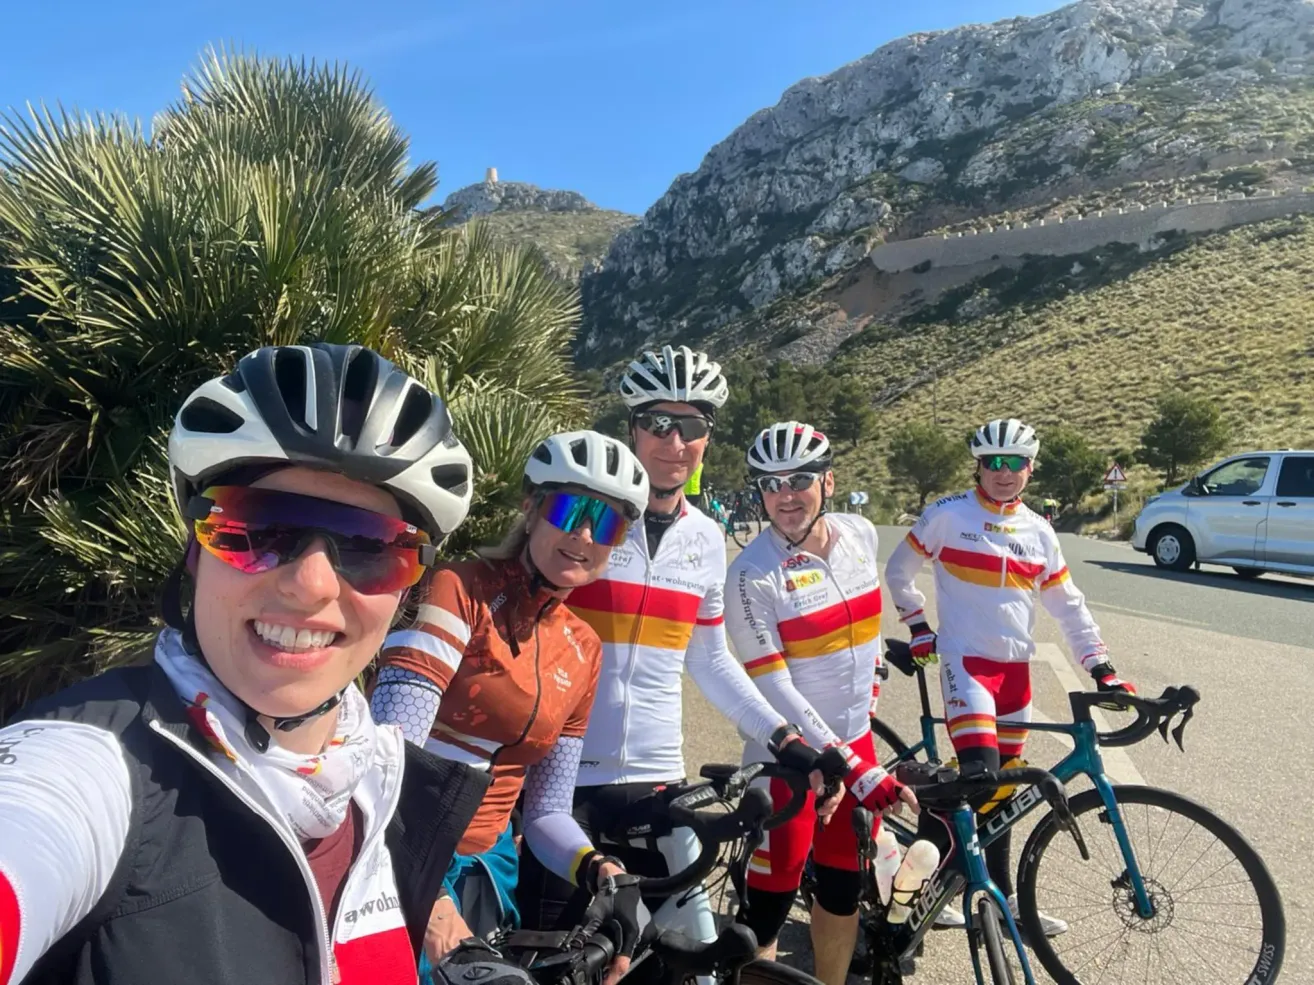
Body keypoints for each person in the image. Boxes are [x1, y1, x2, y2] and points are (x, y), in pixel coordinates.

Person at [0, 343, 490, 985]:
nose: (312, 585)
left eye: (372, 548)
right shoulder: (93, 771)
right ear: (195, 553)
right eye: (260, 529)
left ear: (405, 588)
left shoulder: (377, 783)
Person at [516, 347, 840, 954]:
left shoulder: (706, 538)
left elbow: (711, 660)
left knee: (696, 960)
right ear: (632, 429)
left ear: (707, 438)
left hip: (658, 777)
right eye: (658, 423)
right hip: (562, 784)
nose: (673, 441)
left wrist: (789, 741)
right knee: (555, 959)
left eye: (690, 426)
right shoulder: (588, 524)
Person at [368, 430, 651, 985]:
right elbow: (382, 764)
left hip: (490, 868)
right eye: (572, 509)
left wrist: (602, 871)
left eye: (609, 522)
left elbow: (546, 812)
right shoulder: (456, 589)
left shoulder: (584, 647)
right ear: (532, 506)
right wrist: (433, 909)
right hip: (400, 854)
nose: (586, 534)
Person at [884, 417, 1137, 937]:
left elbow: (1068, 607)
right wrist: (919, 626)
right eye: (992, 462)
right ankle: (929, 886)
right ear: (977, 465)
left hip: (1015, 674)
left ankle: (991, 899)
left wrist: (1102, 668)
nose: (1003, 472)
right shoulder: (947, 516)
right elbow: (898, 570)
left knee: (1000, 797)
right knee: (980, 775)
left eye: (1014, 462)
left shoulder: (1039, 532)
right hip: (966, 664)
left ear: (1030, 468)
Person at [722, 421, 925, 985]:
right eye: (770, 484)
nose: (785, 496)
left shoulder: (860, 533)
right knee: (768, 905)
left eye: (800, 480)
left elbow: (863, 640)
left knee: (840, 892)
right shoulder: (750, 575)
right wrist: (853, 767)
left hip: (853, 742)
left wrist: (872, 689)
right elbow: (775, 690)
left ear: (828, 481)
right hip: (791, 761)